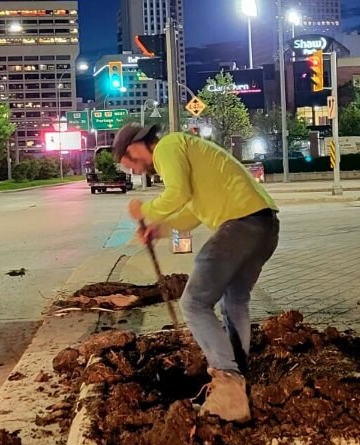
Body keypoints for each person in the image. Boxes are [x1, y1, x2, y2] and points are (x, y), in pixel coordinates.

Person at [112, 123, 280, 423]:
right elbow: (191, 213)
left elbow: (177, 193)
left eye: (131, 162)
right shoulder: (189, 154)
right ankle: (240, 373)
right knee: (235, 299)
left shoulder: (168, 146)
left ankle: (228, 387)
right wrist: (158, 230)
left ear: (136, 145)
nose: (136, 169)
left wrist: (145, 210)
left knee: (194, 302)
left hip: (239, 225)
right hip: (265, 225)